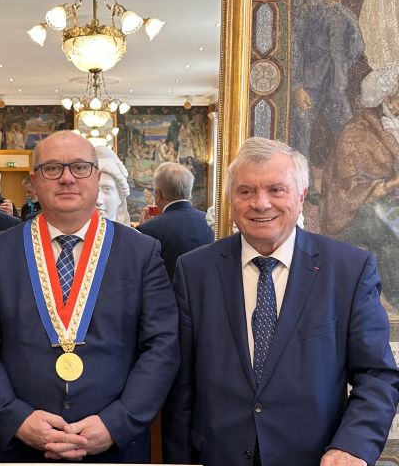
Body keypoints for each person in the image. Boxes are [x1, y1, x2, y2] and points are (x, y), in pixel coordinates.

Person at [162, 137, 399, 466]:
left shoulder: (349, 270)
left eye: (276, 190)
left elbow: (377, 375)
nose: (261, 203)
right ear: (231, 199)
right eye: (246, 191)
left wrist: (353, 446)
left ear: (301, 197)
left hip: (315, 459)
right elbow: (181, 388)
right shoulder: (194, 270)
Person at [0, 130, 179, 465]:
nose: (66, 178)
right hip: (19, 447)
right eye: (52, 169)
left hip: (113, 448)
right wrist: (15, 417)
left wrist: (115, 423)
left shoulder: (141, 252)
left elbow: (162, 346)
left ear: (96, 175)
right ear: (33, 182)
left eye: (79, 167)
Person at [321, 62, 399, 313]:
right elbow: (352, 189)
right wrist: (393, 183)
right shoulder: (357, 132)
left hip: (388, 203)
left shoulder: (393, 124)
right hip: (354, 211)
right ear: (387, 97)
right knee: (390, 233)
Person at [289, 0, 363, 188]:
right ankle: (305, 187)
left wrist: (340, 65)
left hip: (336, 87)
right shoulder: (307, 10)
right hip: (309, 86)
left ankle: (351, 185)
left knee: (348, 133)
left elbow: (357, 48)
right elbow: (294, 48)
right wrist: (297, 86)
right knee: (301, 137)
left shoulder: (346, 15)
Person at [137, 162, 213, 280]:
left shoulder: (149, 229)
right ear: (189, 192)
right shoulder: (211, 221)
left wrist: (142, 234)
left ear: (158, 194)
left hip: (169, 297)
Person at [94, 145, 131, 225]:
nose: (98, 200)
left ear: (120, 197)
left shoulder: (133, 237)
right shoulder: (71, 237)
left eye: (107, 189)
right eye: (92, 189)